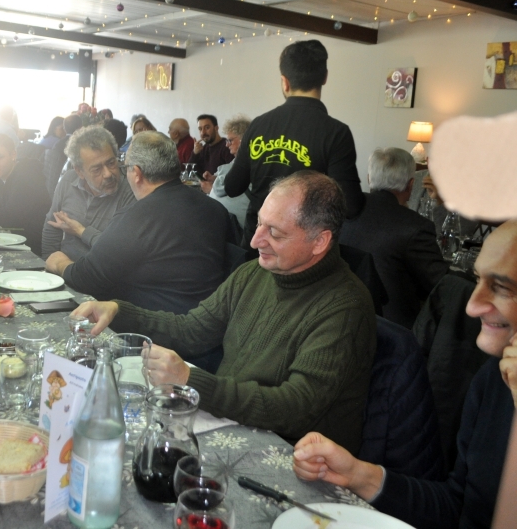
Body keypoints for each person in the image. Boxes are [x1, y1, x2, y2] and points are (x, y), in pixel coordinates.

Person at [75, 171, 376, 452]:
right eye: (259, 223)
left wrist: (191, 380)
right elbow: (192, 329)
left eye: (275, 232)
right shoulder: (255, 273)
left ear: (319, 242)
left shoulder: (344, 308)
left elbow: (295, 408)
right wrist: (118, 310)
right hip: (233, 423)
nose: (256, 241)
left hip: (290, 452)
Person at [292, 221, 517, 529]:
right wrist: (358, 475)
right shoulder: (493, 379)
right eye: (477, 279)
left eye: (502, 288)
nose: (472, 306)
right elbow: (459, 507)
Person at [46, 131, 230, 314]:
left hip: (155, 322)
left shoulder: (138, 216)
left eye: (123, 166)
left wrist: (59, 262)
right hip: (210, 319)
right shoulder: (216, 209)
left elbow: (87, 278)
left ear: (137, 174)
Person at [223, 40, 364, 247]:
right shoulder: (336, 133)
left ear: (285, 82)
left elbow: (232, 186)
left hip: (259, 241)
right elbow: (351, 206)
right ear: (324, 77)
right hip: (304, 247)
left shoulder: (258, 125)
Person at [339, 147, 448, 326]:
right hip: (392, 329)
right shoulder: (415, 226)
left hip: (342, 315)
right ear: (410, 185)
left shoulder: (341, 209)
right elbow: (440, 285)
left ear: (369, 178)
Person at [42, 125, 136, 262]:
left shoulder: (131, 191)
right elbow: (52, 227)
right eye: (97, 169)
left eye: (111, 163)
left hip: (102, 273)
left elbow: (121, 251)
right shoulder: (68, 180)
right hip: (62, 269)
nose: (108, 174)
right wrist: (49, 263)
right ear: (79, 171)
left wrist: (81, 231)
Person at [0, 133, 51, 250]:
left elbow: (9, 218)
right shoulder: (3, 174)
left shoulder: (27, 177)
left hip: (32, 247)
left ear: (13, 155)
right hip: (15, 239)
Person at [204, 115, 252, 230]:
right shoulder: (259, 165)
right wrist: (215, 179)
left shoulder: (243, 166)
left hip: (233, 231)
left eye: (230, 140)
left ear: (244, 141)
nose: (226, 145)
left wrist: (212, 189)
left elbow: (222, 186)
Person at [44, 113, 84, 195]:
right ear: (81, 127)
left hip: (52, 189)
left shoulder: (57, 144)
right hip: (69, 191)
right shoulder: (79, 145)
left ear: (65, 129)